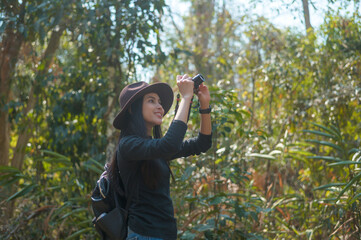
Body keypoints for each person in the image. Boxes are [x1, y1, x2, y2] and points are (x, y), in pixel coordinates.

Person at [108, 74, 212, 240]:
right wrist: (185, 97)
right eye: (151, 101)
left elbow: (202, 143)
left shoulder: (155, 148)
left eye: (160, 102)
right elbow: (169, 144)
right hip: (143, 235)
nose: (160, 108)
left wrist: (204, 106)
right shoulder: (128, 145)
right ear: (132, 108)